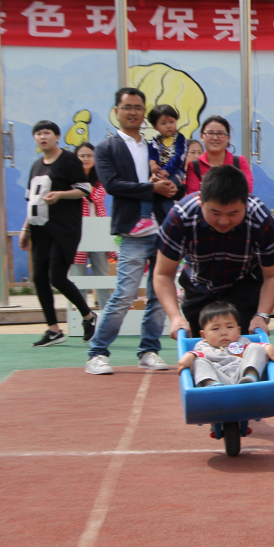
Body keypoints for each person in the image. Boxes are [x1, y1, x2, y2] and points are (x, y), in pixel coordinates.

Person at [86, 88, 180, 375]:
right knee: (125, 294)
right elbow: (112, 185)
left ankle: (149, 350)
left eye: (138, 107)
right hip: (133, 232)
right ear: (117, 111)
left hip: (162, 229)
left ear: (144, 113)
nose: (133, 112)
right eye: (127, 107)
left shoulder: (155, 145)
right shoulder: (107, 147)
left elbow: (173, 173)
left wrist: (172, 185)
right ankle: (97, 353)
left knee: (159, 295)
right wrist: (152, 189)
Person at [154, 165, 274, 339]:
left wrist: (261, 316)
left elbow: (273, 276)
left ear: (245, 204)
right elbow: (163, 274)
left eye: (233, 213)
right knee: (202, 345)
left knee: (244, 342)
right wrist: (175, 317)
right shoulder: (180, 217)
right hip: (199, 283)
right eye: (215, 213)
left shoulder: (261, 220)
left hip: (244, 282)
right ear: (201, 200)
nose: (223, 221)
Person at [19, 121, 97, 347]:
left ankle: (88, 316)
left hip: (64, 230)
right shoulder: (36, 166)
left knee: (57, 277)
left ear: (57, 136)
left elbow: (85, 189)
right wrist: (26, 229)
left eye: (47, 133)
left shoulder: (68, 160)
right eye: (38, 133)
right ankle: (53, 329)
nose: (42, 137)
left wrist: (61, 194)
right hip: (39, 230)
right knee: (39, 278)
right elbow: (32, 201)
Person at [176, 300, 274, 387]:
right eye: (215, 328)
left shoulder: (242, 342)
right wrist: (190, 356)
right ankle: (212, 385)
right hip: (218, 377)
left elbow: (255, 349)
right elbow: (197, 354)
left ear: (238, 331)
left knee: (255, 347)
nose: (224, 332)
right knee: (198, 361)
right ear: (204, 336)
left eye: (229, 327)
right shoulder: (203, 346)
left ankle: (251, 377)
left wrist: (267, 346)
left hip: (241, 375)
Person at [128, 104, 189, 236]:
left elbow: (179, 156)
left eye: (172, 122)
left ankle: (146, 217)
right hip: (161, 174)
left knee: (152, 187)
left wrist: (168, 170)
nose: (169, 126)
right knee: (163, 196)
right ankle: (171, 223)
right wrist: (152, 164)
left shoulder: (180, 138)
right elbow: (153, 154)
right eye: (164, 123)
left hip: (175, 173)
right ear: (155, 126)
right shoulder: (156, 140)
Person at [70, 143, 114, 311]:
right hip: (76, 231)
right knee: (78, 277)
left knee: (102, 276)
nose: (86, 159)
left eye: (90, 155)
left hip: (98, 230)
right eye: (81, 156)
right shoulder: (69, 179)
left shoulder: (101, 178)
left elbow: (98, 196)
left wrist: (84, 186)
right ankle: (82, 316)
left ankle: (106, 315)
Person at [184, 116, 254, 195]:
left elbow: (246, 192)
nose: (215, 137)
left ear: (228, 138)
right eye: (210, 133)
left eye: (220, 133)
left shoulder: (239, 162)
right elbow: (194, 196)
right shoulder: (194, 166)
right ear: (202, 137)